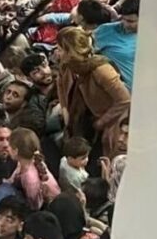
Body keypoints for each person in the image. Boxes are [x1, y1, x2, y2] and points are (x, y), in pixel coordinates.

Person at [55, 27, 130, 160]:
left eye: (60, 49)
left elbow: (124, 100)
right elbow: (60, 84)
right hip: (81, 117)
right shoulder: (66, 65)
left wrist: (101, 122)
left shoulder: (102, 70)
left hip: (109, 120)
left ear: (70, 52)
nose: (57, 53)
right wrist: (64, 108)